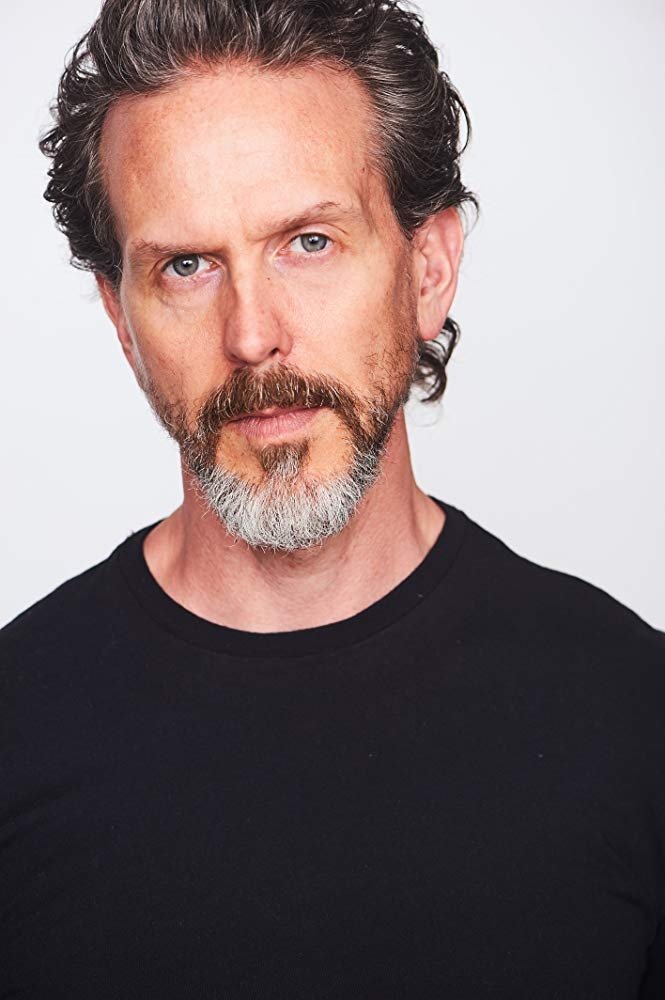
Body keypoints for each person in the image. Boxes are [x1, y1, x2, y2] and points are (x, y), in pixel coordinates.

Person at [1, 0, 663, 996]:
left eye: (307, 242)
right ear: (121, 319)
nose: (251, 334)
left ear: (428, 269)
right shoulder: (16, 727)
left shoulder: (634, 716)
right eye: (186, 266)